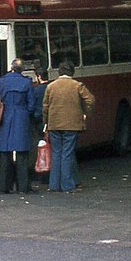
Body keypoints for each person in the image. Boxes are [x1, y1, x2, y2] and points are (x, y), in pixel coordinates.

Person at [42, 60, 94, 193]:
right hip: (72, 124)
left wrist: (46, 122)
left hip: (54, 124)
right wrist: (84, 113)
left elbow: (45, 107)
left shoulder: (51, 86)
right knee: (67, 154)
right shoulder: (77, 85)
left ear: (59, 72)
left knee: (56, 154)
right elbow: (90, 100)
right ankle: (67, 185)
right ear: (72, 72)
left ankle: (53, 185)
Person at [0, 58, 37, 194]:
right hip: (21, 118)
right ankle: (23, 187)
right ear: (22, 70)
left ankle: (4, 186)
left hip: (5, 117)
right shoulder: (26, 83)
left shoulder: (0, 82)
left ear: (11, 68)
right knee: (22, 155)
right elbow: (31, 104)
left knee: (5, 153)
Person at [29, 67, 49, 188]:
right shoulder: (51, 88)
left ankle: (41, 172)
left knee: (39, 148)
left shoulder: (36, 91)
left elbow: (33, 106)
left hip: (38, 121)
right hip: (50, 121)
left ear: (39, 77)